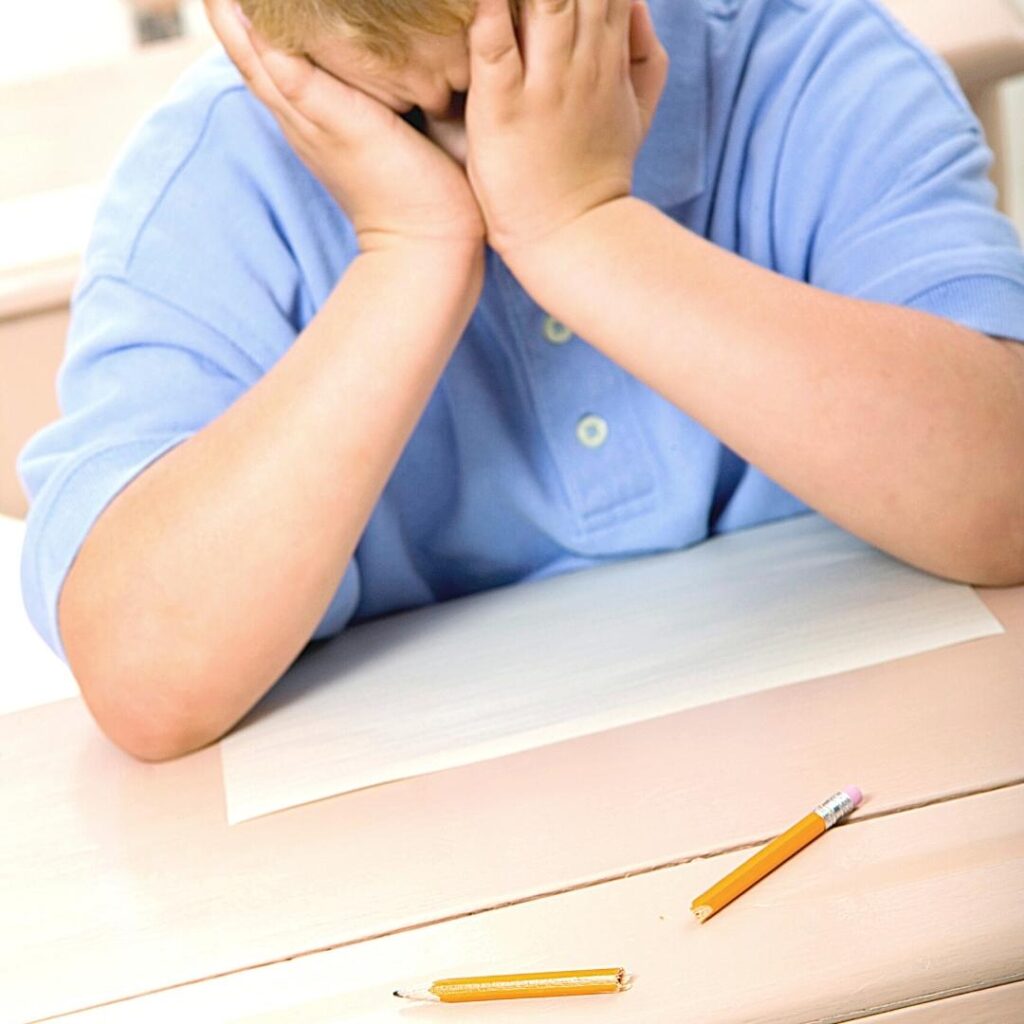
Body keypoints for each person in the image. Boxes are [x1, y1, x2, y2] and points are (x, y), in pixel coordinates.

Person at [17, 0, 1024, 761]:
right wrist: (407, 250)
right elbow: (147, 676)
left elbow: (1005, 496)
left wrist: (581, 228)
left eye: (518, 76)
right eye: (414, 112)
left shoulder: (808, 68)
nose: (482, 146)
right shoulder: (211, 186)